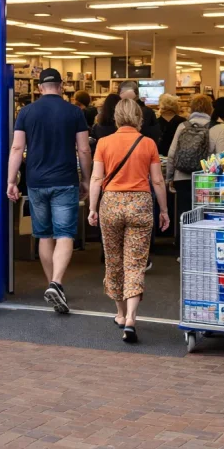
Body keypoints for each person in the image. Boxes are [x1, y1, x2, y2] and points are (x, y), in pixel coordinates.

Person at [7, 68, 92, 314]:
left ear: (39, 87)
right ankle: (56, 283)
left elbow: (16, 148)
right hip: (65, 180)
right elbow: (84, 150)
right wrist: (86, 179)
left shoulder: (26, 112)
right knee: (64, 234)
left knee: (44, 235)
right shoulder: (75, 112)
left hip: (35, 182)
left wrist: (11, 181)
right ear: (61, 86)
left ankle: (53, 285)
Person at [88, 98, 170, 342]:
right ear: (139, 118)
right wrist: (164, 210)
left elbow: (95, 178)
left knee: (113, 260)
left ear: (115, 118)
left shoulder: (103, 142)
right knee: (135, 262)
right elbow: (157, 181)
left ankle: (120, 313)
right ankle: (133, 318)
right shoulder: (148, 144)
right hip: (140, 204)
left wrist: (93, 207)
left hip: (111, 203)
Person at [166, 93, 213, 238]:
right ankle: (199, 248)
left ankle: (182, 248)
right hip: (204, 179)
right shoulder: (213, 127)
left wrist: (169, 177)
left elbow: (172, 153)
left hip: (182, 176)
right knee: (202, 214)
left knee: (184, 214)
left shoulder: (183, 126)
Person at [119, 81, 160, 147]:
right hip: (144, 146)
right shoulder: (148, 111)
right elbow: (155, 132)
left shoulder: (119, 110)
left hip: (123, 146)